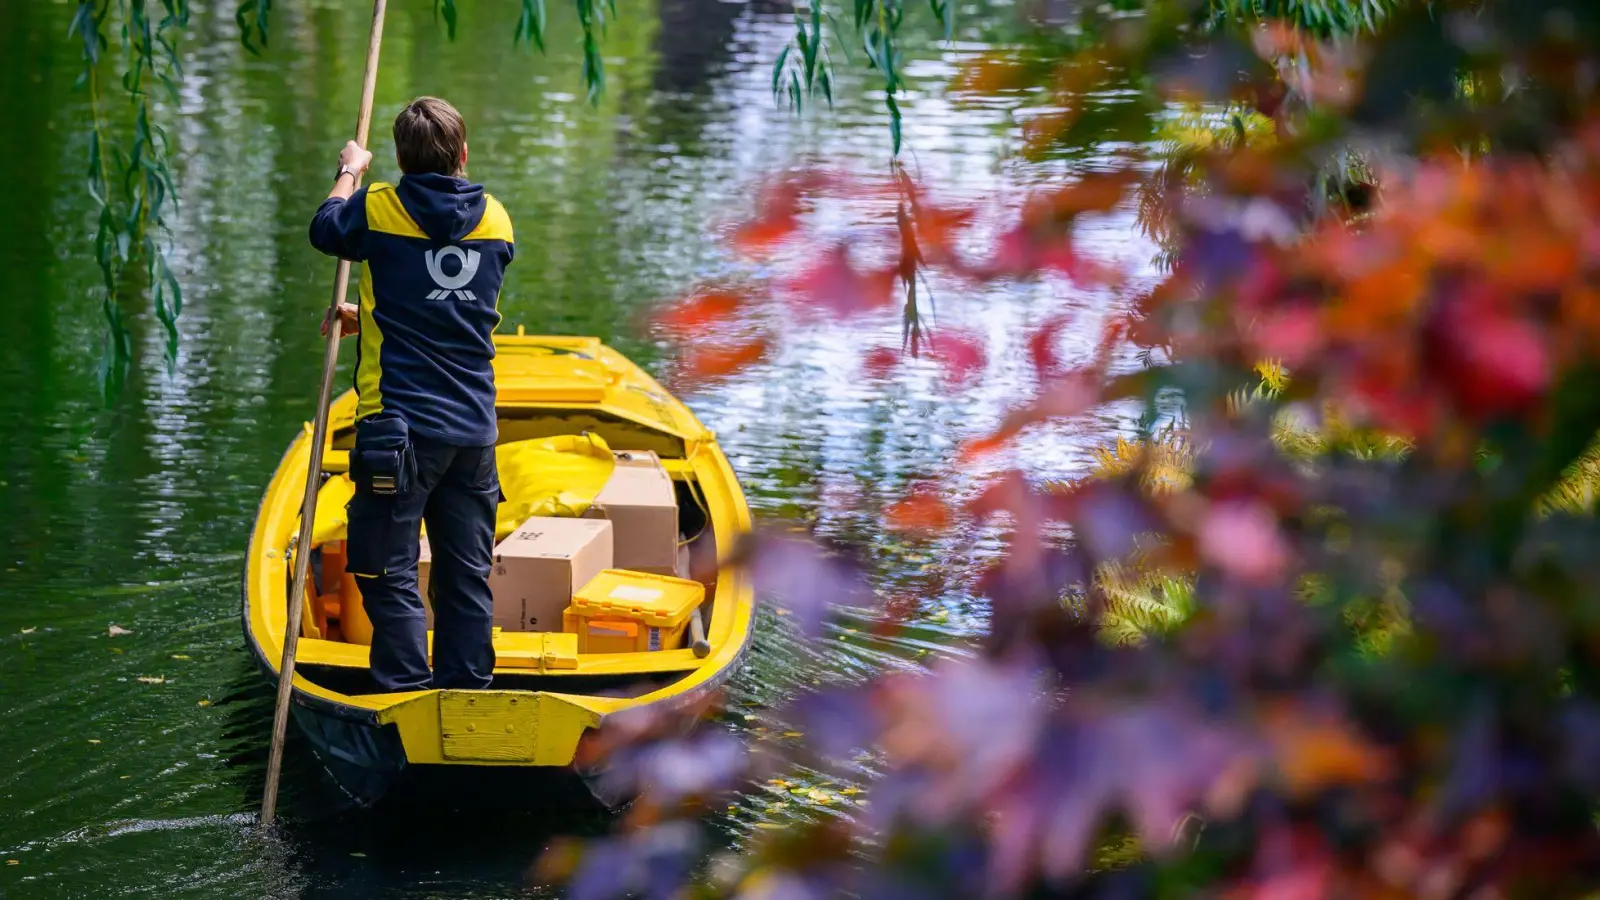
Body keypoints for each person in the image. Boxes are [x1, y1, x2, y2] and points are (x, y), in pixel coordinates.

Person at [309, 97, 513, 692]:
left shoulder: (378, 207)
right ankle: (466, 691)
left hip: (398, 430)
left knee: (384, 568)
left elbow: (325, 228)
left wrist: (350, 169)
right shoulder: (496, 221)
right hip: (472, 430)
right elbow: (455, 307)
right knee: (466, 574)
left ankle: (403, 691)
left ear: (399, 158)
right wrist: (372, 315)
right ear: (464, 154)